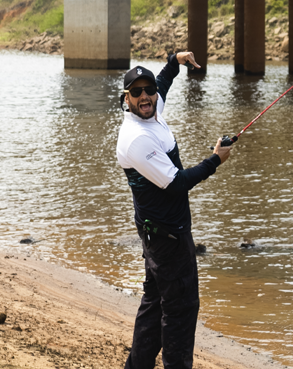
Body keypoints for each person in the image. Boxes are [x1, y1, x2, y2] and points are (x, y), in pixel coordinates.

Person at [116, 51, 232, 369]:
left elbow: (163, 85)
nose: (146, 96)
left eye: (148, 90)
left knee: (154, 308)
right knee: (181, 309)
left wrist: (173, 62)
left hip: (157, 231)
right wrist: (215, 160)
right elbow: (178, 183)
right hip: (168, 238)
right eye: (136, 92)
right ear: (125, 99)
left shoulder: (151, 111)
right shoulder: (137, 138)